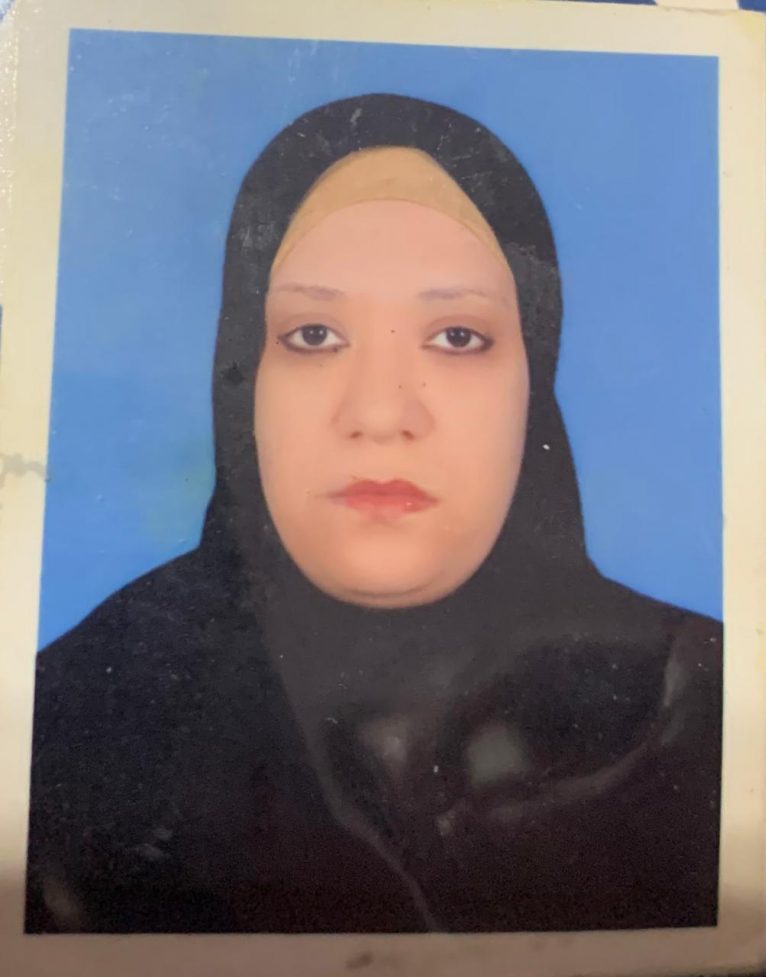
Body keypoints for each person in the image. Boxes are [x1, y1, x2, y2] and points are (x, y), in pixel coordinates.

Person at [25, 93, 722, 934]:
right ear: (243, 377)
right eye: (314, 334)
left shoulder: (705, 706)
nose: (382, 412)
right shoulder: (64, 721)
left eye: (457, 336)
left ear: (532, 382)